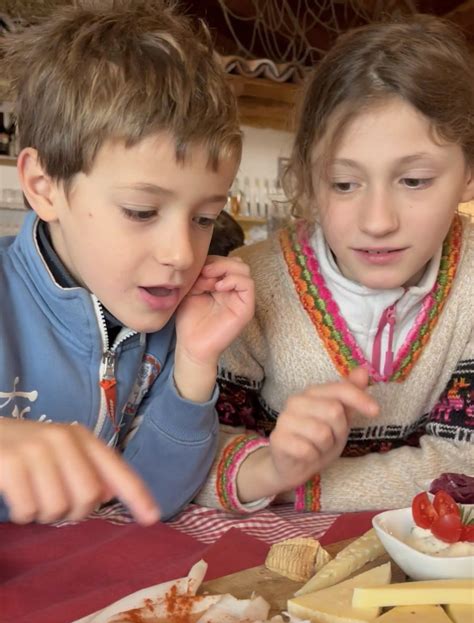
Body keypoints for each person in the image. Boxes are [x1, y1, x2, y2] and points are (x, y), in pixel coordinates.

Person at [195, 14, 474, 514]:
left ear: (469, 175)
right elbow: (191, 460)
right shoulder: (245, 288)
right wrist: (271, 466)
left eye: (413, 181)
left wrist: (296, 485)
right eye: (344, 184)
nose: (378, 221)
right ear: (306, 179)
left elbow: (467, 466)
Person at [0, 0, 255, 525]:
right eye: (141, 211)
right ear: (44, 187)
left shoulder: (165, 321)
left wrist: (194, 364)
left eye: (205, 218)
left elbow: (153, 500)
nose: (180, 255)